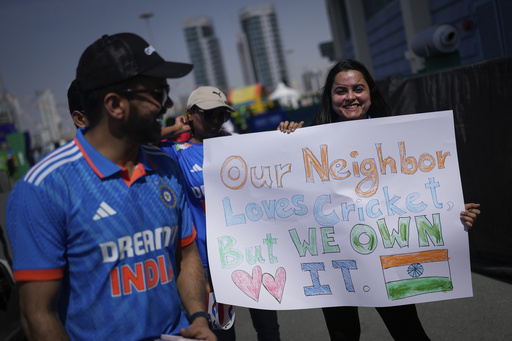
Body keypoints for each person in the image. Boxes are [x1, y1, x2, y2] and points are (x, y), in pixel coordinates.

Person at [7, 33, 216, 341]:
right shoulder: (43, 189)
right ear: (115, 105)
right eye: (158, 93)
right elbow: (37, 314)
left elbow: (186, 254)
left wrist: (198, 316)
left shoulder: (167, 167)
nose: (168, 104)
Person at [278, 59, 481, 340]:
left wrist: (452, 212)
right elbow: (282, 194)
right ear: (330, 97)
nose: (350, 97)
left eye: (358, 89)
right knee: (343, 335)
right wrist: (284, 141)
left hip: (386, 256)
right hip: (335, 261)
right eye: (341, 91)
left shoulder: (398, 137)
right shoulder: (307, 141)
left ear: (370, 94)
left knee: (408, 331)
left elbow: (422, 191)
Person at [160, 86, 281, 341]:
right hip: (208, 262)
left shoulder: (239, 145)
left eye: (221, 115)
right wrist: (173, 129)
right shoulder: (176, 153)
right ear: (190, 114)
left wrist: (288, 133)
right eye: (209, 114)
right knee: (223, 334)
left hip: (252, 252)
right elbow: (133, 143)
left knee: (269, 331)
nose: (216, 120)